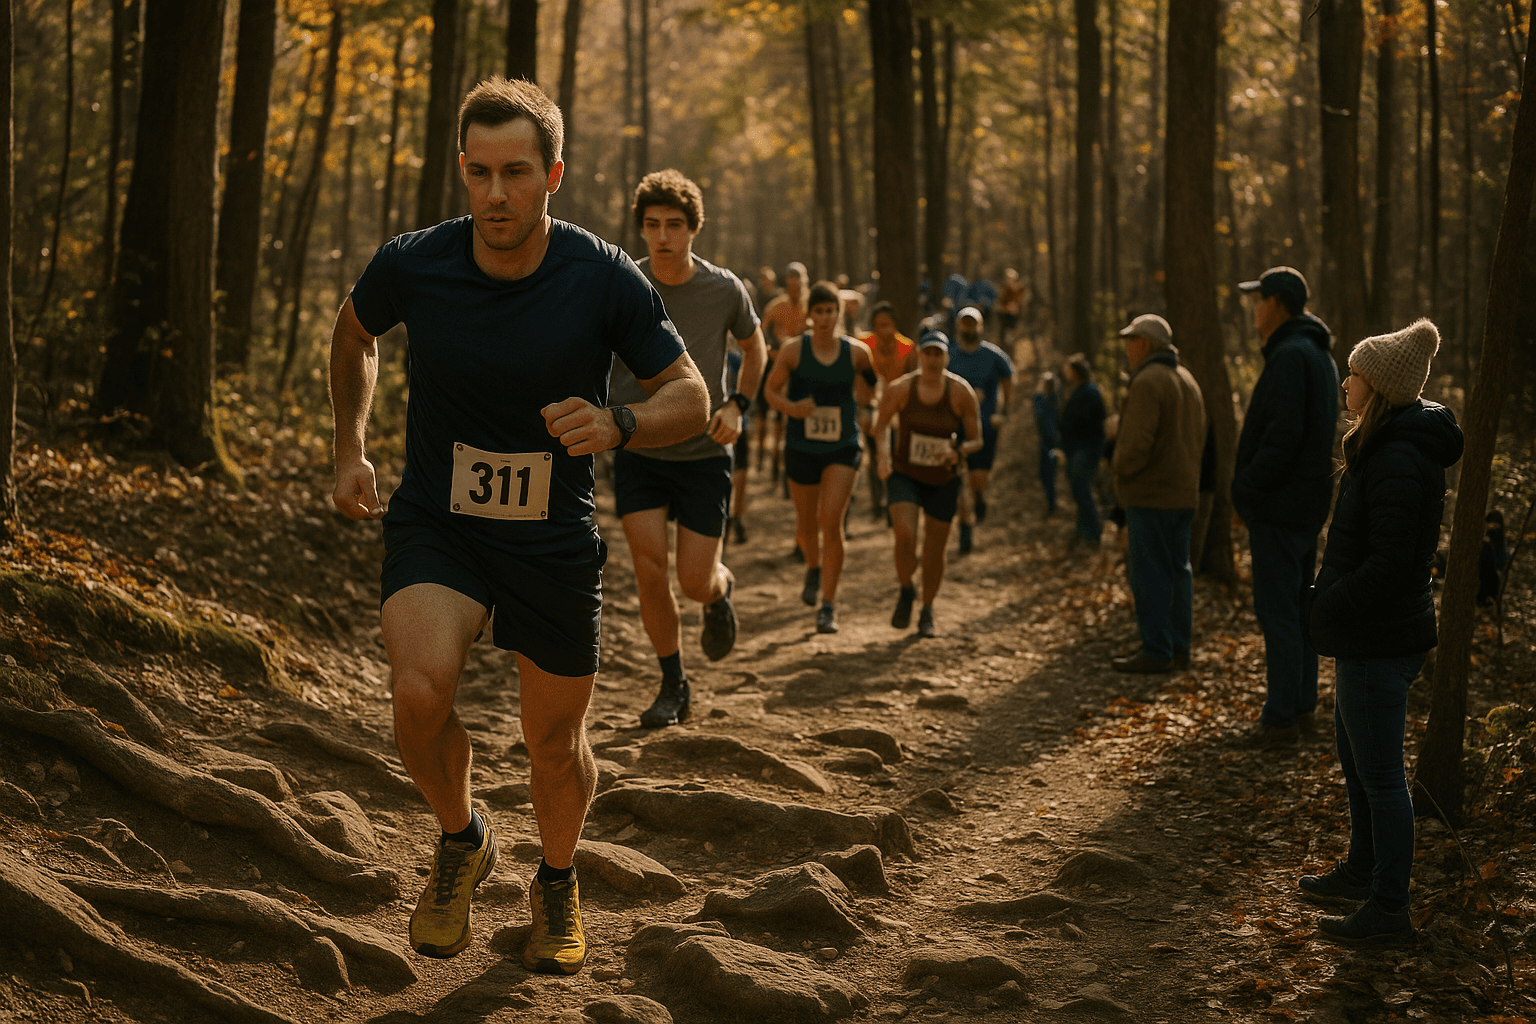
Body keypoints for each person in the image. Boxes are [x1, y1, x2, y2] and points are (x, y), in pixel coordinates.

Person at [328, 77, 708, 974]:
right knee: (418, 692)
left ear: (553, 175)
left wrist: (619, 422)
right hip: (440, 520)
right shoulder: (415, 262)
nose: (496, 194)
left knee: (553, 744)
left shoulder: (602, 275)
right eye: (480, 173)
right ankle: (462, 838)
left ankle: (558, 879)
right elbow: (354, 335)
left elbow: (690, 394)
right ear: (463, 170)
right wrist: (350, 448)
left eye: (517, 173)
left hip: (552, 535)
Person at [1302, 319, 1462, 945]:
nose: (1346, 382)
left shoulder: (1398, 455)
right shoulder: (1385, 442)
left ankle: (1389, 908)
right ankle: (1363, 869)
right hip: (1369, 634)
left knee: (1383, 778)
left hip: (1379, 636)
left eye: (1355, 374)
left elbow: (1392, 563)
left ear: (1381, 387)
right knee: (1358, 762)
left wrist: (1331, 603)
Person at [608, 170, 767, 729]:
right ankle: (673, 682)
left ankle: (720, 592)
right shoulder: (625, 283)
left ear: (694, 228)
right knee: (650, 569)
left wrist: (738, 405)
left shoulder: (724, 289)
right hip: (639, 448)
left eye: (674, 225)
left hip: (703, 452)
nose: (662, 236)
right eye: (652, 225)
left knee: (694, 581)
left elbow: (755, 348)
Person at [1233, 267, 1340, 748]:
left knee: (1278, 612)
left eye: (1258, 300)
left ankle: (1280, 719)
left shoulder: (1292, 355)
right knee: (1297, 611)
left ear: (1275, 303)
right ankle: (1300, 707)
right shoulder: (1318, 355)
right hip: (1305, 506)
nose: (1254, 310)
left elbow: (1282, 437)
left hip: (1280, 507)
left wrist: (1247, 490)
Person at [764, 281, 875, 633]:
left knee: (831, 521)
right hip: (801, 447)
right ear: (810, 315)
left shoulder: (857, 353)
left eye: (831, 311)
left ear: (839, 314)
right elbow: (770, 391)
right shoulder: (794, 351)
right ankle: (813, 567)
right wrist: (792, 408)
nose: (825, 318)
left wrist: (869, 403)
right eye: (819, 311)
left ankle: (828, 604)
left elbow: (871, 388)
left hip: (843, 446)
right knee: (807, 524)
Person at [1109, 315, 1206, 674]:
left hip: (1150, 494)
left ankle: (1156, 649)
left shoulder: (1148, 381)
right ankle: (1179, 647)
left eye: (1131, 341)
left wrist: (1119, 470)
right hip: (1184, 493)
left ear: (1146, 344)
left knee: (1149, 573)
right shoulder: (1187, 380)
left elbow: (1135, 445)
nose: (1127, 348)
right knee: (1178, 571)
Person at [874, 331, 982, 637]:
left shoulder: (960, 392)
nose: (933, 360)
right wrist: (883, 456)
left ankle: (928, 609)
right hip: (905, 474)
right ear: (919, 356)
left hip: (943, 478)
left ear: (946, 357)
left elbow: (977, 440)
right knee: (905, 537)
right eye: (928, 353)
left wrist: (958, 451)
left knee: (935, 549)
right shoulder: (901, 389)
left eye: (939, 354)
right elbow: (881, 426)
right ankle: (906, 588)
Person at [946, 306, 1014, 555]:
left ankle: (979, 498)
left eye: (973, 323)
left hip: (985, 428)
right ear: (958, 326)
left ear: (980, 326)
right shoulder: (949, 355)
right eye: (965, 323)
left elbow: (1009, 379)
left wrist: (1003, 412)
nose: (969, 328)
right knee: (958, 480)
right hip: (955, 428)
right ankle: (966, 528)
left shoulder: (993, 356)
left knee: (978, 480)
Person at [860, 301, 918, 520]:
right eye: (879, 325)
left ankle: (894, 501)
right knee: (875, 455)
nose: (884, 330)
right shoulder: (863, 345)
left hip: (897, 412)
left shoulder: (907, 347)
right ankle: (877, 504)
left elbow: (913, 381)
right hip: (870, 409)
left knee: (894, 456)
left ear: (894, 325)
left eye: (887, 325)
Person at [758, 262, 810, 487]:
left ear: (804, 284)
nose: (794, 291)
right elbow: (761, 334)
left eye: (798, 286)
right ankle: (772, 463)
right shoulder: (776, 307)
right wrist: (771, 350)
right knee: (775, 415)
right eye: (791, 286)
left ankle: (796, 463)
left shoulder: (812, 307)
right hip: (777, 366)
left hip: (804, 370)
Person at [1059, 353, 1107, 550]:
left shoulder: (1089, 392)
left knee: (1082, 491)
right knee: (1079, 492)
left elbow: (1089, 422)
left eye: (1069, 370)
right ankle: (1083, 533)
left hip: (1085, 450)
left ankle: (1094, 534)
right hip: (1077, 450)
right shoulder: (1079, 391)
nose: (1066, 373)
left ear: (1076, 372)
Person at [1032, 372, 1061, 517]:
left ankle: (1052, 506)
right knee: (1044, 474)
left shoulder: (1054, 399)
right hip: (1046, 440)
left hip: (1052, 441)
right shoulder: (1041, 398)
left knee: (1049, 474)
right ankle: (1051, 505)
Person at [997, 268, 1025, 347]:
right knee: (1003, 338)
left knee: (1012, 337)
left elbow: (1022, 303)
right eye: (1007, 279)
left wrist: (1016, 308)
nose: (1008, 281)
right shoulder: (1003, 290)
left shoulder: (1020, 289)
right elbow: (999, 305)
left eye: (1010, 279)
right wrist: (1006, 308)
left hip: (1015, 318)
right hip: (1004, 317)